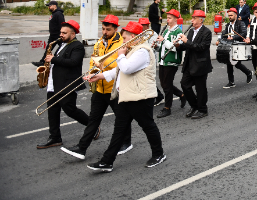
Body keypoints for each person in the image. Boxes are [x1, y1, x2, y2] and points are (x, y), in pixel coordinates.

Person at [86, 22, 165, 172]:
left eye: (124, 38)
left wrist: (120, 55)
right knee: (119, 130)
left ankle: (159, 154)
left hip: (140, 97)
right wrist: (99, 76)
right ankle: (107, 161)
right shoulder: (131, 50)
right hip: (127, 96)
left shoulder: (142, 51)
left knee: (148, 126)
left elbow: (127, 68)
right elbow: (118, 71)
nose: (122, 41)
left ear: (134, 37)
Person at [59, 16, 133, 158]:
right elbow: (94, 59)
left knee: (121, 117)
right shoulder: (99, 42)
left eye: (108, 29)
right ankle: (81, 148)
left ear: (116, 29)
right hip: (100, 87)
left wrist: (104, 65)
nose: (104, 32)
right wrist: (92, 71)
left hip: (114, 88)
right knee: (93, 119)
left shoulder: (122, 43)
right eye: (103, 29)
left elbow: (122, 65)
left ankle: (126, 142)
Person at [37, 20, 90, 150]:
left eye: (64, 33)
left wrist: (53, 59)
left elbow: (73, 62)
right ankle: (55, 137)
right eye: (61, 32)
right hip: (54, 83)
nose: (61, 35)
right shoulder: (61, 43)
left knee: (70, 110)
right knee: (52, 111)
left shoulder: (77, 46)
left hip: (67, 83)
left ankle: (92, 126)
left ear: (73, 34)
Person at [177, 10, 212, 119]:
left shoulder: (207, 32)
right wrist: (179, 45)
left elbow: (201, 47)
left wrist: (187, 41)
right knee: (184, 84)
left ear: (200, 20)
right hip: (189, 63)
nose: (191, 20)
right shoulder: (191, 31)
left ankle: (202, 109)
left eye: (194, 18)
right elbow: (188, 45)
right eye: (192, 18)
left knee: (200, 88)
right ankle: (194, 105)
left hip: (200, 65)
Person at [154, 9, 186, 118]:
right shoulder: (166, 30)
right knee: (164, 84)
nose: (167, 19)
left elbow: (174, 48)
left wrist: (163, 40)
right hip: (163, 60)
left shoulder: (179, 32)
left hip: (172, 61)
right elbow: (163, 47)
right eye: (167, 17)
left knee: (167, 85)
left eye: (170, 17)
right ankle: (181, 95)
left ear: (176, 19)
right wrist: (156, 46)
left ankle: (167, 108)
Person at [218, 8, 253, 89]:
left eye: (231, 15)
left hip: (238, 46)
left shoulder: (241, 23)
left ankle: (248, 73)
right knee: (228, 63)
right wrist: (219, 40)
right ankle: (231, 82)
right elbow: (224, 34)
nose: (229, 17)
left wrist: (233, 37)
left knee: (237, 64)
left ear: (235, 15)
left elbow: (243, 33)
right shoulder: (228, 25)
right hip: (229, 46)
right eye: (229, 15)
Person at [33, 0, 65, 67]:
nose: (49, 7)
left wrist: (61, 34)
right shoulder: (54, 13)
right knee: (48, 49)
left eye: (50, 6)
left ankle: (61, 60)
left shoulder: (59, 14)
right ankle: (43, 62)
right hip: (53, 35)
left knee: (63, 48)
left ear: (54, 6)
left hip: (58, 35)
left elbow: (62, 25)